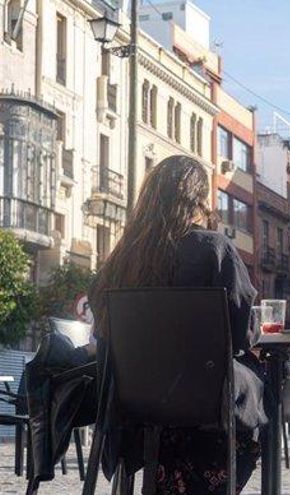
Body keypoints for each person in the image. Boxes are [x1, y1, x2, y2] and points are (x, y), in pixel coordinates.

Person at [88, 156, 266, 494]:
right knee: (260, 385)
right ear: (198, 200)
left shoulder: (121, 257)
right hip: (204, 400)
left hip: (130, 404)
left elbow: (103, 329)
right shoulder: (213, 248)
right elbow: (242, 333)